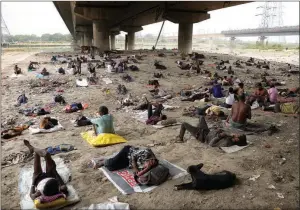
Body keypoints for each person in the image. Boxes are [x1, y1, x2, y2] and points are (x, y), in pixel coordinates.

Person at [89, 145, 158, 183]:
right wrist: (135, 167)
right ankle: (102, 161)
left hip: (128, 162)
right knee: (111, 163)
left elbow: (139, 175)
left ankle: (107, 160)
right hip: (127, 152)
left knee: (111, 168)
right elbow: (133, 155)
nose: (144, 167)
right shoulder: (147, 153)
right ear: (149, 160)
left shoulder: (148, 168)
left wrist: (139, 172)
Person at [175, 116, 247, 147]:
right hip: (207, 131)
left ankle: (180, 138)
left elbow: (211, 144)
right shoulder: (231, 137)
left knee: (184, 124)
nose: (237, 134)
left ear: (237, 139)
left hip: (202, 136)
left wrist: (219, 136)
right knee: (201, 117)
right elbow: (223, 133)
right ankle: (197, 127)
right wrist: (218, 131)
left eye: (238, 135)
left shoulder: (227, 143)